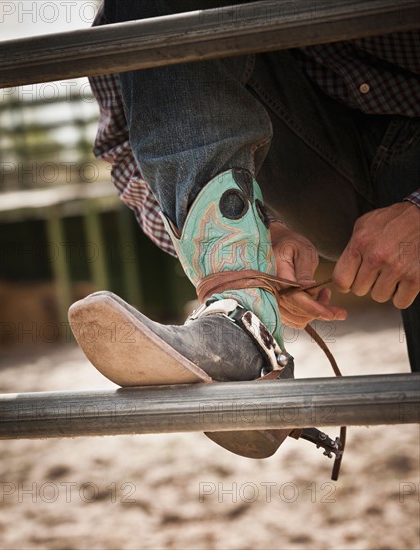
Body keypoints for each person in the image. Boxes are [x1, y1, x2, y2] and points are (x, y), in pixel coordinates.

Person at [69, 1, 420, 459]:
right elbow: (127, 152)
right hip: (302, 169)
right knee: (149, 10)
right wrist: (258, 237)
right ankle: (243, 318)